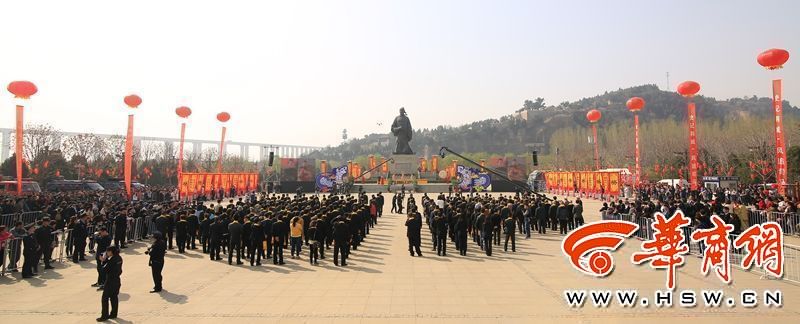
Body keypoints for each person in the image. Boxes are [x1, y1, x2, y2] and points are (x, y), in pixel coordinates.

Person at [97, 245, 123, 322]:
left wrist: (103, 261)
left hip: (110, 281)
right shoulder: (119, 258)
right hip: (117, 280)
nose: (107, 253)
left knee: (105, 298)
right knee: (114, 297)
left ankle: (104, 315)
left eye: (108, 251)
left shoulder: (112, 260)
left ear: (111, 252)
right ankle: (114, 313)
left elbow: (104, 270)